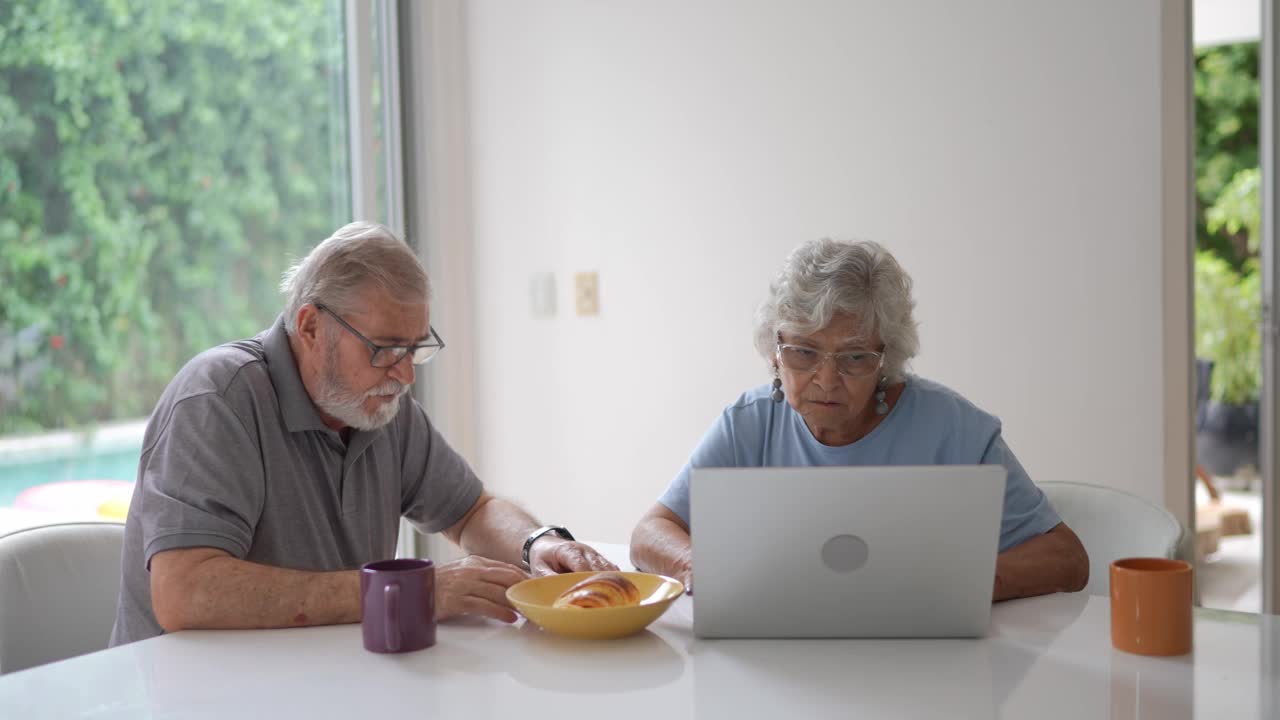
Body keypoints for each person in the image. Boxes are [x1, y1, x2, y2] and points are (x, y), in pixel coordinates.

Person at [111, 221, 614, 646]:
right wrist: (410, 591)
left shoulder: (379, 406)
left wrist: (536, 543)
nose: (405, 374)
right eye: (385, 349)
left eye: (415, 348)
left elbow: (471, 511)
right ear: (310, 327)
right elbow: (185, 592)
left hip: (320, 683)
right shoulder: (219, 400)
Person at [630, 238, 1089, 601]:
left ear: (886, 358)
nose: (826, 380)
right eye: (804, 353)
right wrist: (696, 564)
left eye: (853, 357)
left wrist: (965, 583)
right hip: (782, 659)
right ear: (774, 351)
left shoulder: (953, 429)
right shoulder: (748, 424)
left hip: (924, 662)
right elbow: (650, 533)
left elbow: (1066, 557)